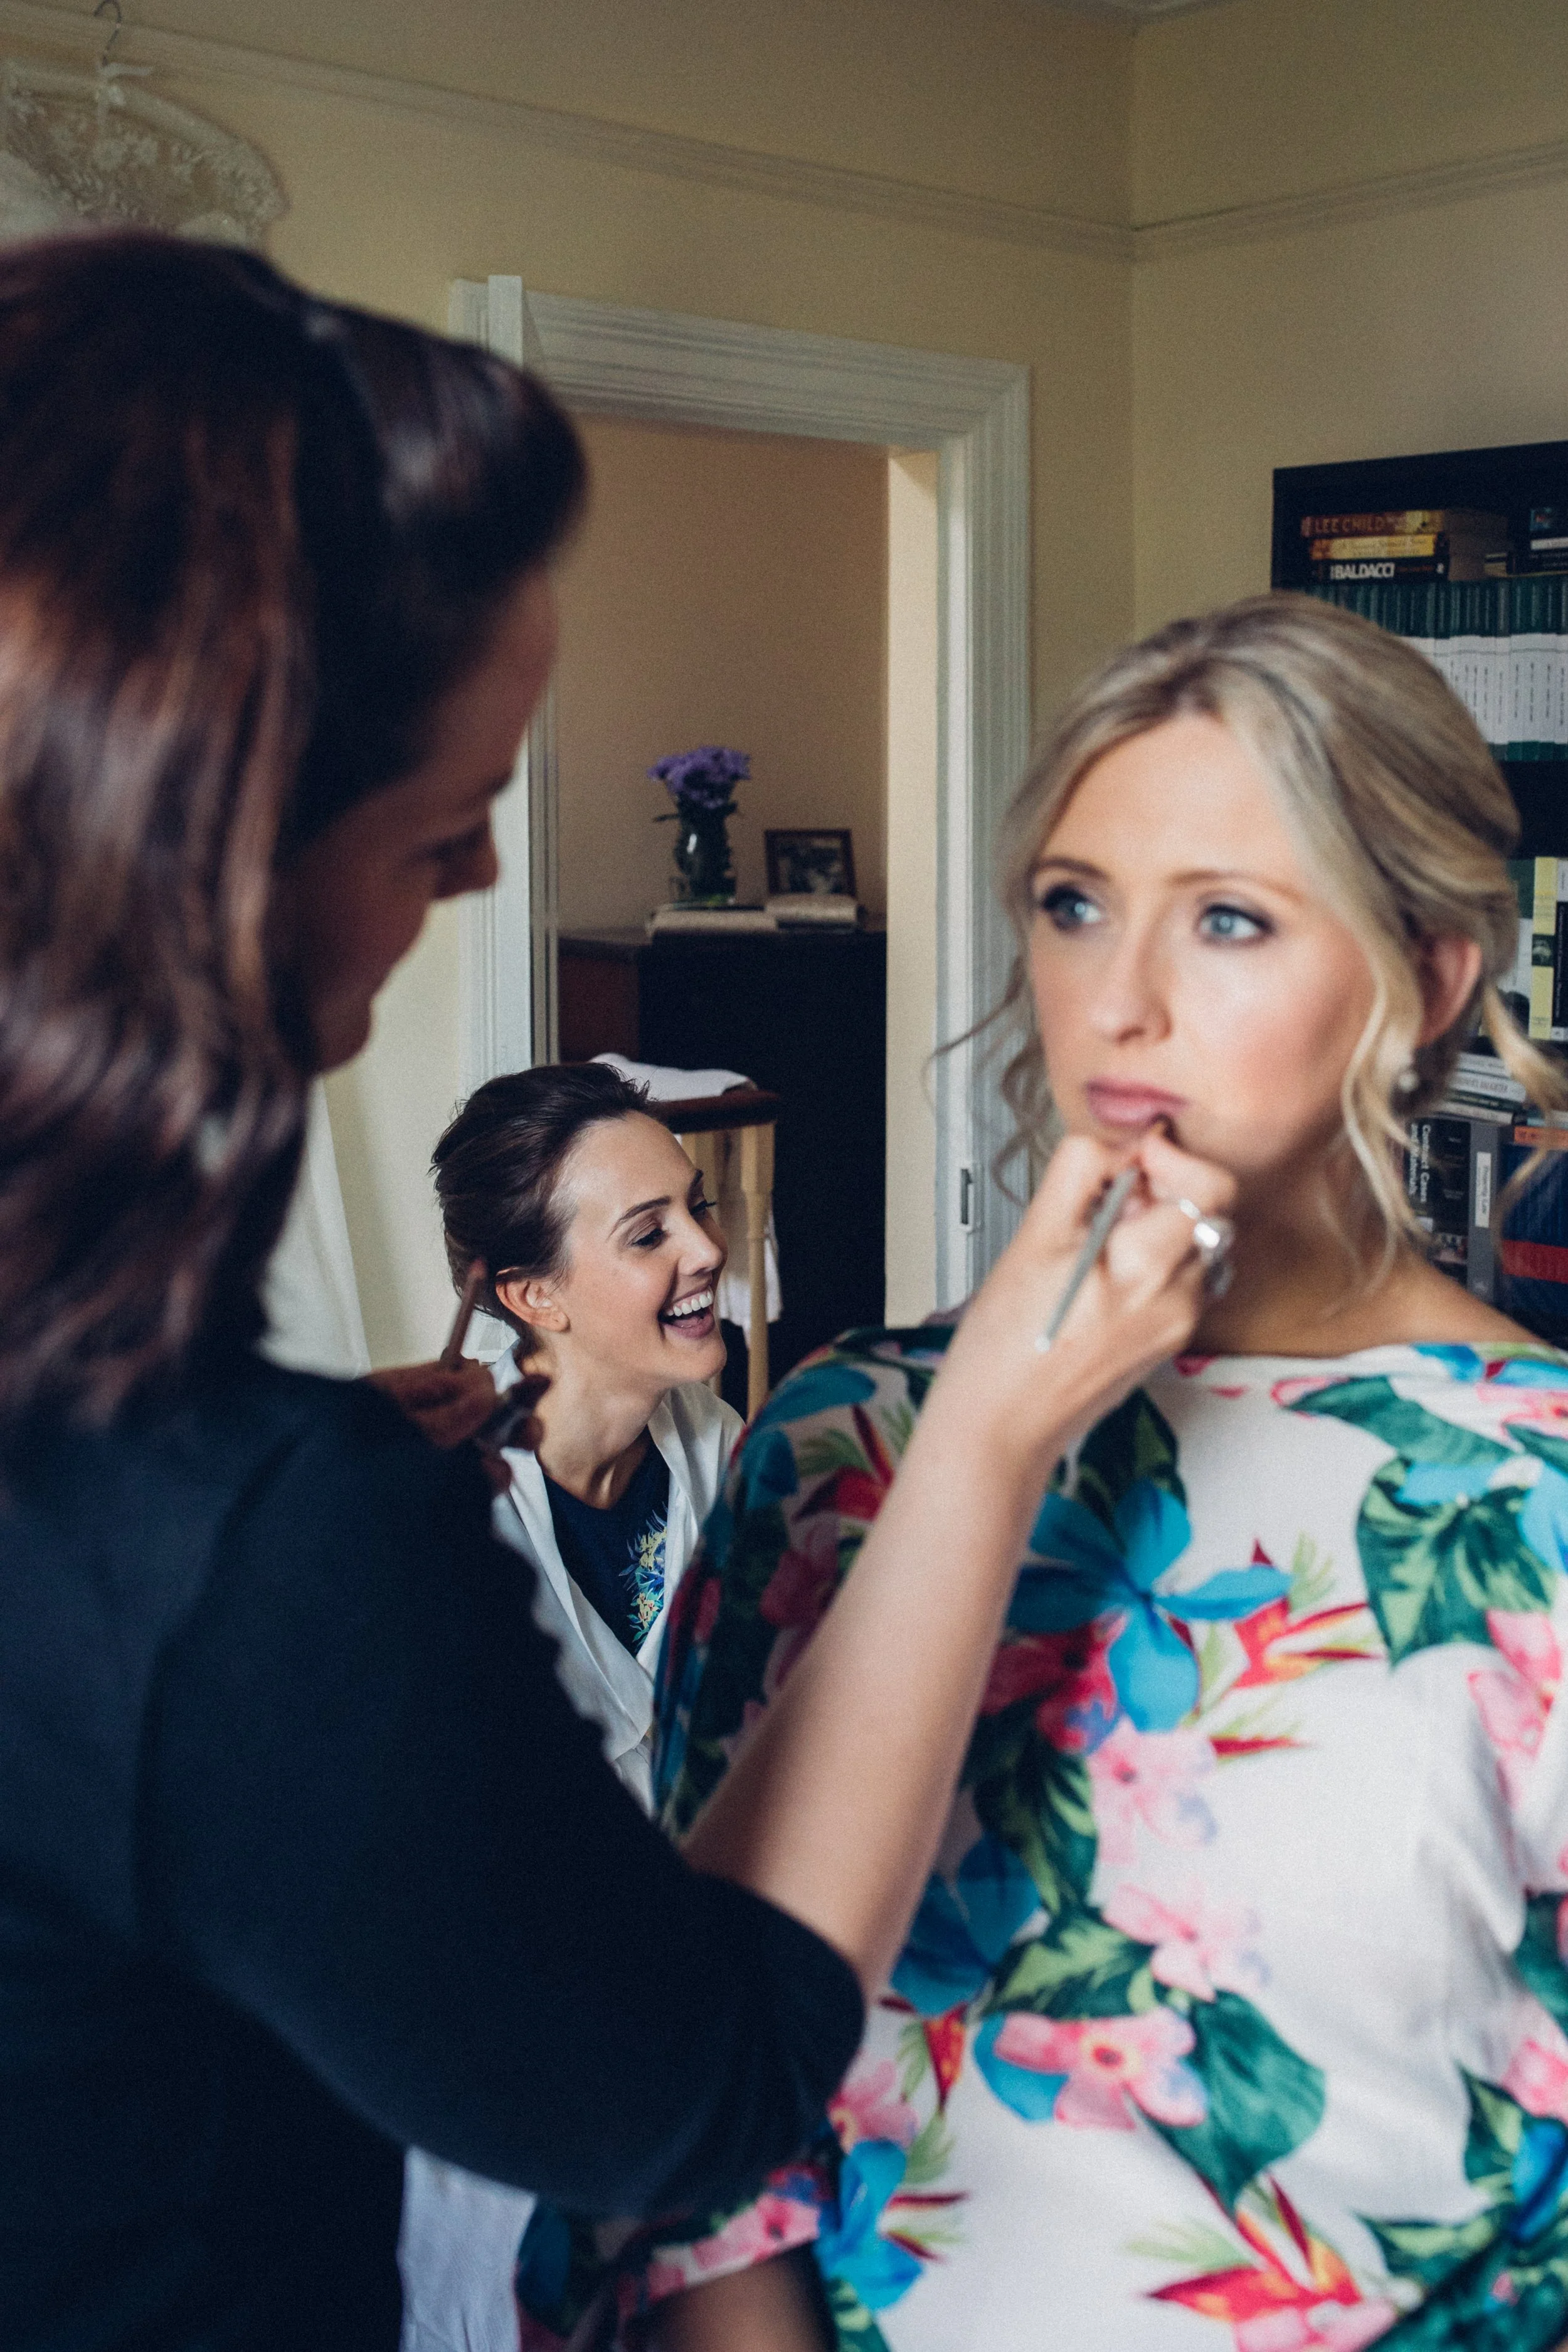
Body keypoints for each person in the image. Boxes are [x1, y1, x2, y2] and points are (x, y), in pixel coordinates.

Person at [0, 231, 1233, 2352]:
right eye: (454, 818)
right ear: (209, 853)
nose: (484, 879)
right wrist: (988, 1443)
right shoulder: (261, 1537)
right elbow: (688, 2091)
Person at [519, 593, 1568, 2352]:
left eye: (1227, 918)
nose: (1122, 1000)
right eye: (1074, 904)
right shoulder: (846, 1434)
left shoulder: (1526, 1491)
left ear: (1430, 974)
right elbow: (695, 2082)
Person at [401, 1062, 744, 2352]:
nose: (706, 1250)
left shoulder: (719, 1448)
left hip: (691, 2052)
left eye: (694, 1210)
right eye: (648, 1232)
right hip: (504, 2095)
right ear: (530, 1296)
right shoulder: (436, 1516)